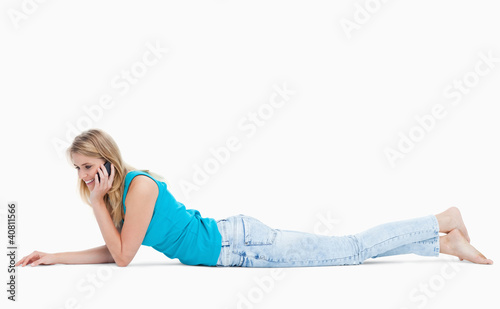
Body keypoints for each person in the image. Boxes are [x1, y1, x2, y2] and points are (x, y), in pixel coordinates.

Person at [16, 129, 493, 268]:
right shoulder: (119, 199)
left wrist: (97, 202)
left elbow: (122, 257)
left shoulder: (137, 187)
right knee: (350, 252)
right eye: (77, 169)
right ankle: (442, 244)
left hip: (243, 244)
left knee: (350, 250)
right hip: (237, 249)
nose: (82, 176)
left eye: (86, 166)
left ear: (106, 160)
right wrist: (56, 257)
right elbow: (121, 246)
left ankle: (441, 218)